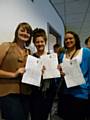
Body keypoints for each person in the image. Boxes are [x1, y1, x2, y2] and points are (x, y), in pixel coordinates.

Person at [0, 22, 32, 120]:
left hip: (26, 93)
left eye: (28, 32)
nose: (25, 33)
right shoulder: (6, 46)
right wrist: (14, 74)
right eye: (22, 30)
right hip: (8, 92)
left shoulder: (29, 52)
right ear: (16, 32)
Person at [58, 31, 90, 120]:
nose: (68, 41)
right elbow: (61, 74)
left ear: (76, 39)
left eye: (70, 38)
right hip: (66, 93)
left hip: (81, 93)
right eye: (66, 39)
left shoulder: (85, 52)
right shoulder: (62, 56)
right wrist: (60, 72)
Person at [30, 28, 56, 120]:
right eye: (37, 42)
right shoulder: (31, 58)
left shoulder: (51, 57)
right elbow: (29, 77)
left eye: (42, 41)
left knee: (45, 116)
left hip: (48, 93)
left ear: (45, 42)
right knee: (35, 116)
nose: (40, 44)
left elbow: (55, 77)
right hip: (34, 94)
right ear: (34, 43)